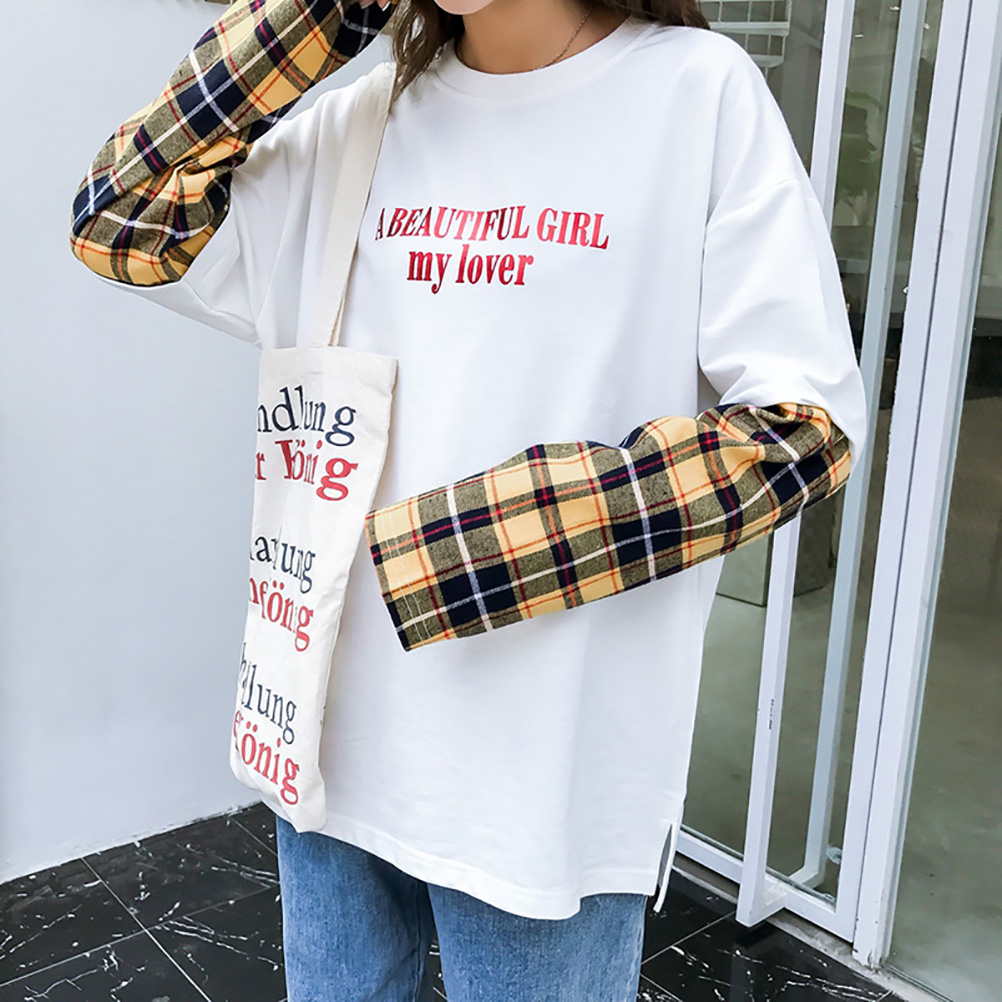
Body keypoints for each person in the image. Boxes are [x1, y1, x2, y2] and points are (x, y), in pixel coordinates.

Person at [69, 0, 868, 997]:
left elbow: (802, 429)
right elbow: (120, 218)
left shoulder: (694, 94)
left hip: (537, 788)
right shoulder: (366, 117)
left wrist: (471, 552)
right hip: (326, 741)